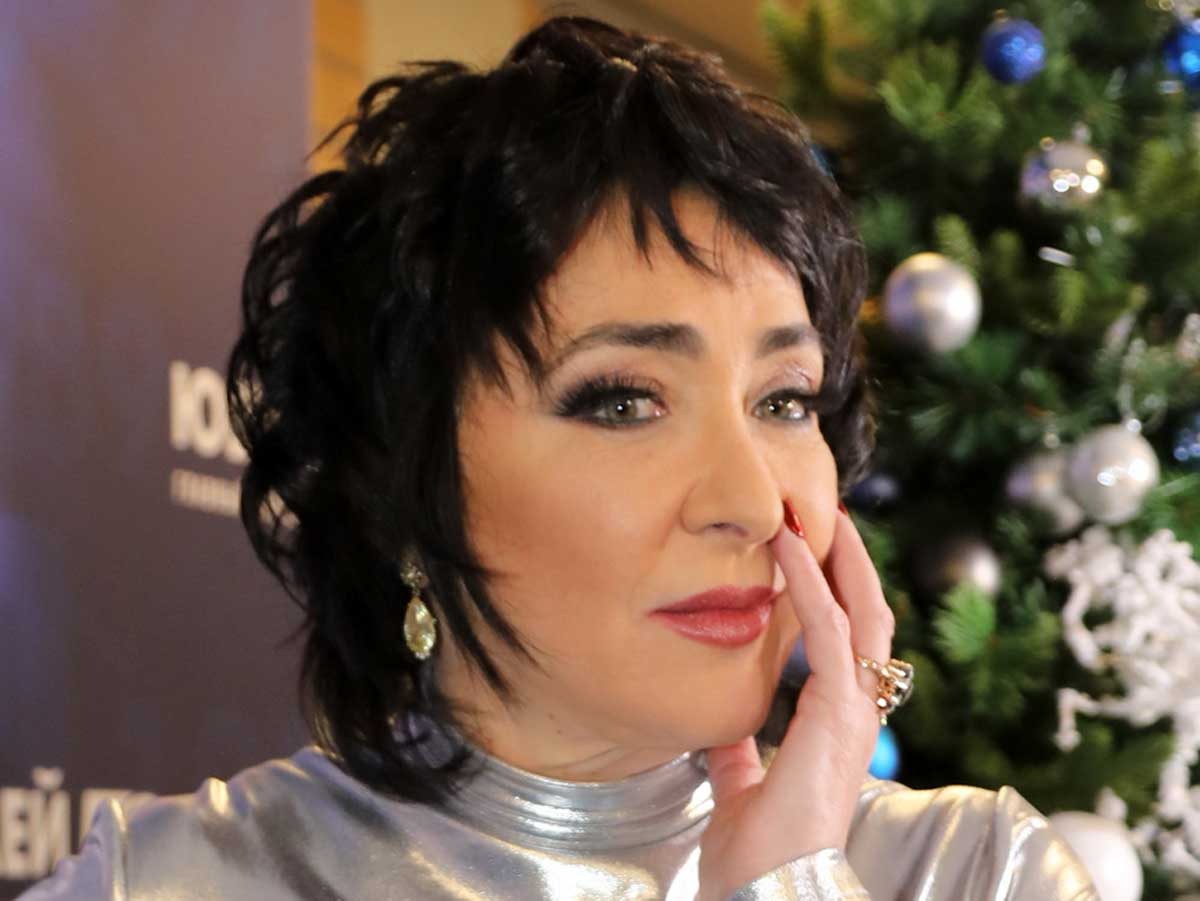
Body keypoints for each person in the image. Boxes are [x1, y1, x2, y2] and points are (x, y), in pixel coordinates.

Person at [21, 15, 1099, 901]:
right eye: (623, 400)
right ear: (404, 481)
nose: (748, 498)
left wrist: (793, 885)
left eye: (783, 399)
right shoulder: (171, 883)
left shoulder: (976, 872)